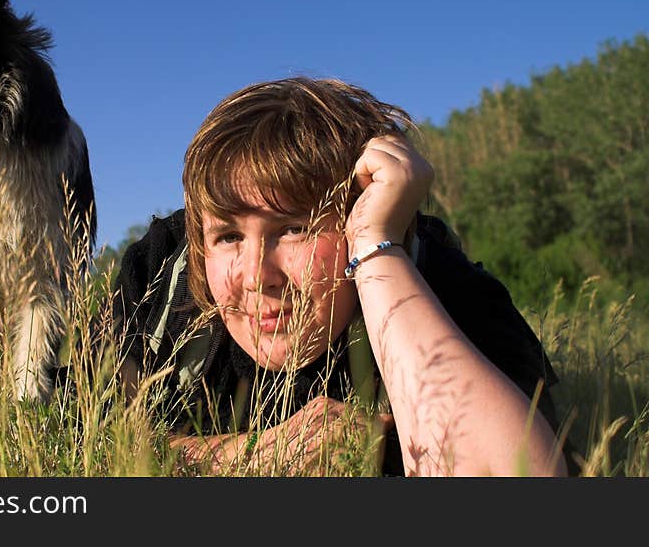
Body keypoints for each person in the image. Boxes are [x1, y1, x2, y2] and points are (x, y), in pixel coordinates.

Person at [113, 77, 569, 476]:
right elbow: (80, 430)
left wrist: (376, 249)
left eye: (294, 228)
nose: (255, 276)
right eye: (228, 237)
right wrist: (240, 456)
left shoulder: (446, 290)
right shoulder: (159, 275)